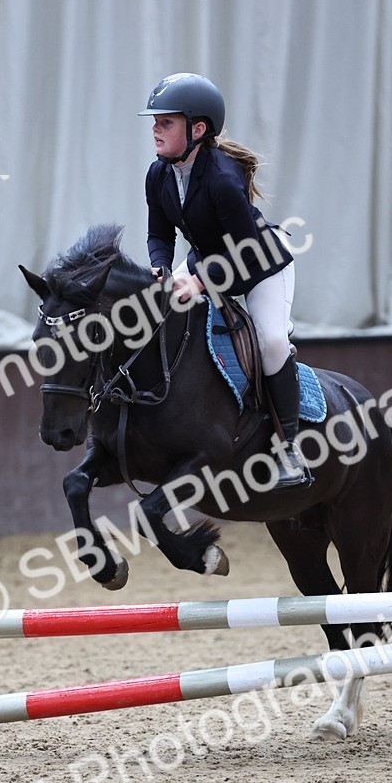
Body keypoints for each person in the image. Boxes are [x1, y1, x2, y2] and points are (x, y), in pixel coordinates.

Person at [139, 72, 309, 488]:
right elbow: (160, 235)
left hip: (259, 264)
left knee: (270, 341)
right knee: (151, 314)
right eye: (155, 121)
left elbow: (244, 252)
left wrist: (197, 283)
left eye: (166, 122)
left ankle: (292, 452)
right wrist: (160, 266)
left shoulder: (222, 177)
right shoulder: (158, 174)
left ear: (198, 129)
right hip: (207, 261)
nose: (155, 129)